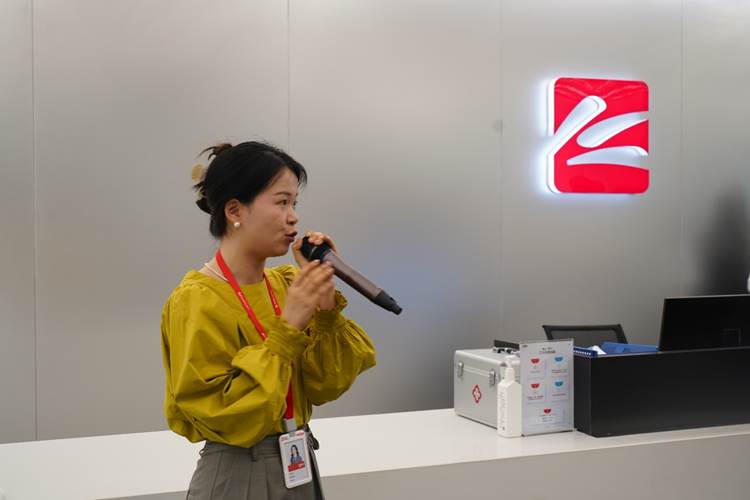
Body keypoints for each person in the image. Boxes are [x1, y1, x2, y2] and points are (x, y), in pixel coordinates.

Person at [160, 141, 376, 499]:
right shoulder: (196, 300)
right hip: (239, 471)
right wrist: (286, 330)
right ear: (235, 210)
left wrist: (324, 304)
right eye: (281, 202)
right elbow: (222, 410)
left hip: (300, 461)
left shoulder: (286, 284)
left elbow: (326, 386)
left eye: (294, 203)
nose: (293, 217)